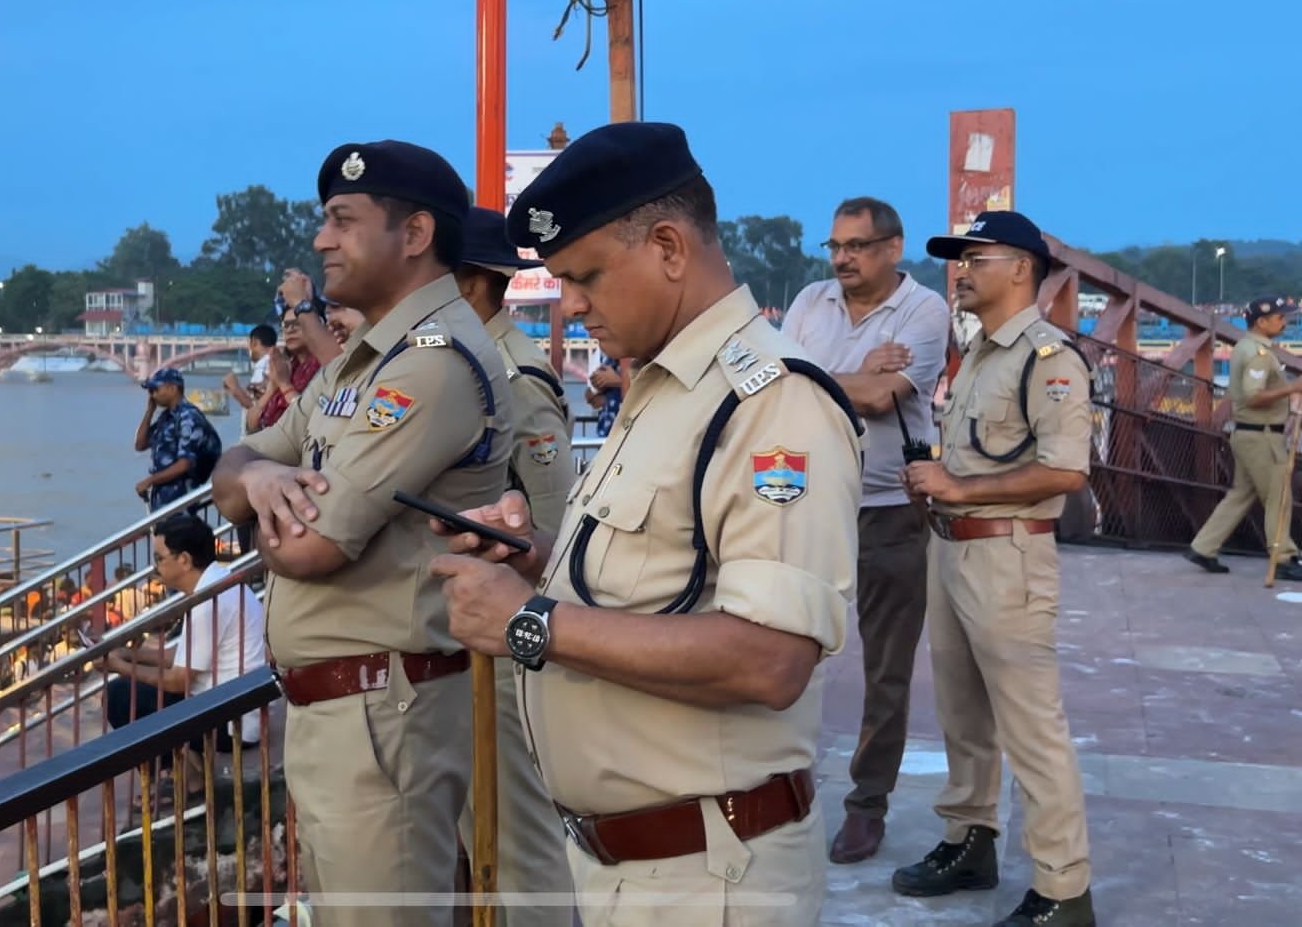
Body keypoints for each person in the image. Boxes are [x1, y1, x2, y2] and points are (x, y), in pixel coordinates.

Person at [430, 121, 863, 926]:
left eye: (585, 275)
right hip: (637, 868)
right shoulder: (668, 386)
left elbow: (772, 659)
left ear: (668, 247)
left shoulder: (770, 403)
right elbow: (661, 579)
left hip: (706, 878)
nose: (572, 304)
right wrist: (538, 559)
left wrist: (530, 623)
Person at [210, 139, 514, 926]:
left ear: (414, 234)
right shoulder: (362, 362)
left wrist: (257, 497)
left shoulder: (432, 366)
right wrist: (260, 483)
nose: (322, 241)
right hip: (346, 711)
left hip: (383, 716)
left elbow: (311, 547)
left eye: (343, 221)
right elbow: (233, 467)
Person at [894, 210, 1096, 927]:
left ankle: (1063, 889)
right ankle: (970, 841)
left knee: (1031, 729)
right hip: (952, 550)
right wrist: (941, 483)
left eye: (976, 258)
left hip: (1008, 556)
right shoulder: (981, 352)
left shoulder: (1049, 358)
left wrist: (958, 487)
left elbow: (1067, 470)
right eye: (960, 259)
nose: (962, 270)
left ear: (1020, 268)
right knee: (963, 715)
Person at [779, 196, 950, 863]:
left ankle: (867, 804)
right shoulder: (810, 301)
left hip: (888, 509)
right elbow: (772, 383)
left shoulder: (924, 311)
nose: (842, 259)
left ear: (892, 248)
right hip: (806, 502)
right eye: (835, 246)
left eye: (856, 246)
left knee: (887, 669)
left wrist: (817, 376)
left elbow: (882, 398)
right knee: (785, 646)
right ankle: (777, 782)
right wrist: (851, 373)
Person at [452, 205, 577, 925]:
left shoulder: (514, 376)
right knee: (480, 831)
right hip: (468, 630)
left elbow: (553, 527)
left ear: (472, 284)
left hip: (508, 642)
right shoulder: (464, 367)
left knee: (519, 842)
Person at [105, 514, 269, 791]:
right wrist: (130, 655)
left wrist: (119, 666)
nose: (155, 567)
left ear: (184, 560)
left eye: (159, 558)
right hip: (234, 704)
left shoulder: (209, 600)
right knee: (134, 690)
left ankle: (182, 779)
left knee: (121, 695)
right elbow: (180, 656)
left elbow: (176, 680)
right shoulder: (218, 583)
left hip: (233, 722)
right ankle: (188, 769)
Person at [1184, 295, 1302, 581]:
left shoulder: (1245, 347)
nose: (1285, 323)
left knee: (1241, 494)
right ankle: (1283, 557)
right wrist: (1292, 389)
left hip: (1247, 434)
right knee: (1278, 497)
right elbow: (1253, 395)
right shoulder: (1258, 354)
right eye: (1279, 318)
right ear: (1261, 322)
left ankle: (1204, 546)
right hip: (1262, 437)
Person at [134, 367, 221, 510]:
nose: (152, 395)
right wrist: (149, 411)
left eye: (155, 389)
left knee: (176, 525)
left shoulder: (189, 418)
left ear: (172, 388)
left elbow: (184, 464)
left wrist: (150, 480)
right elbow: (140, 444)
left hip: (180, 497)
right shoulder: (167, 417)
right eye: (150, 391)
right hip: (162, 498)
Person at [245, 307, 322, 435]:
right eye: (286, 325)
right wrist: (272, 387)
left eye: (297, 323)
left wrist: (284, 385)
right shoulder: (285, 367)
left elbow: (307, 421)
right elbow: (251, 425)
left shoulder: (324, 367)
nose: (290, 330)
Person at [225, 324, 279, 411]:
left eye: (248, 344)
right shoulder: (274, 362)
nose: (248, 349)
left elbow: (257, 408)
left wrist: (235, 388)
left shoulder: (265, 366)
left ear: (254, 342)